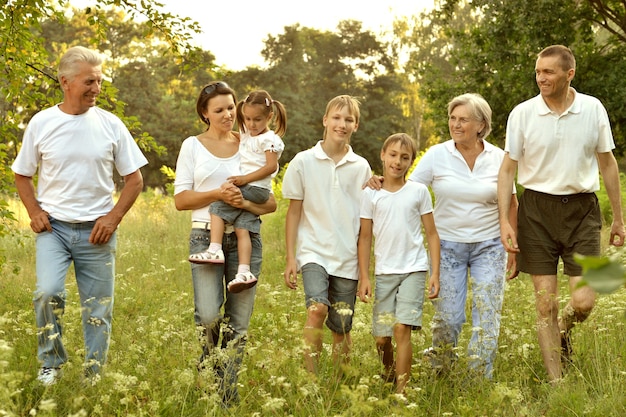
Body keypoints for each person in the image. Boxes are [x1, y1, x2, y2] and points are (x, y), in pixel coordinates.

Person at [11, 46, 148, 386]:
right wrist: (34, 211)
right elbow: (21, 173)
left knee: (98, 307)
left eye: (99, 81)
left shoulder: (110, 125)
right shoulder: (42, 122)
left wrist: (113, 218)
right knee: (47, 292)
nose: (96, 89)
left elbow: (135, 180)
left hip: (97, 232)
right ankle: (51, 363)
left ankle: (93, 374)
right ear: (65, 81)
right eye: (89, 81)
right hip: (53, 230)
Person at [366, 93, 518, 379]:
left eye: (463, 119)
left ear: (481, 124)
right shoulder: (437, 155)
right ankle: (442, 367)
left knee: (487, 314)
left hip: (490, 246)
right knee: (449, 317)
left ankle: (477, 378)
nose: (455, 124)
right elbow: (405, 187)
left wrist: (512, 246)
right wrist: (378, 180)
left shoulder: (499, 157)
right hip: (447, 246)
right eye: (452, 118)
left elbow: (511, 203)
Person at [498, 45, 625, 382]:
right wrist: (505, 222)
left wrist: (618, 218)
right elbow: (507, 170)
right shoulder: (522, 114)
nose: (541, 78)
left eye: (549, 72)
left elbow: (607, 163)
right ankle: (557, 382)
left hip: (583, 211)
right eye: (539, 72)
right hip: (536, 212)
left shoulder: (592, 108)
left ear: (569, 74)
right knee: (545, 304)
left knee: (584, 300)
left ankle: (563, 330)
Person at [174, 81, 276, 405]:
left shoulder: (251, 143)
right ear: (205, 113)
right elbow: (181, 199)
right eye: (219, 110)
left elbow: (270, 202)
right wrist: (218, 194)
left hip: (246, 239)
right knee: (207, 316)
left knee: (238, 324)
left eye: (231, 108)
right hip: (205, 235)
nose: (228, 115)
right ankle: (207, 375)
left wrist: (243, 203)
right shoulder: (192, 146)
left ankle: (226, 396)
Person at [283, 95, 372, 374]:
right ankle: (311, 377)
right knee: (317, 309)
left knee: (341, 325)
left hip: (347, 257)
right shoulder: (303, 161)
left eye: (348, 119)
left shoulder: (361, 167)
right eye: (336, 117)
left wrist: (365, 272)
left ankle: (338, 381)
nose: (341, 124)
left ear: (355, 125)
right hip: (313, 251)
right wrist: (290, 258)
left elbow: (366, 221)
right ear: (325, 120)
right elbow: (294, 212)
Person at [357, 133, 440, 394]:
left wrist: (434, 274)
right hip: (384, 272)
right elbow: (365, 237)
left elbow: (432, 234)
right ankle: (390, 373)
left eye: (405, 157)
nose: (397, 161)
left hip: (414, 269)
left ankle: (401, 393)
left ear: (412, 162)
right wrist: (364, 277)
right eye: (393, 155)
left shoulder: (418, 192)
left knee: (402, 328)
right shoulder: (371, 194)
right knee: (382, 339)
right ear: (383, 155)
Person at [188, 90, 286, 293]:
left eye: (257, 119)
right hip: (251, 188)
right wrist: (239, 108)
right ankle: (244, 271)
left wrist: (244, 180)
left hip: (256, 188)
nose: (251, 124)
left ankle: (214, 249)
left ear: (270, 117)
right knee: (243, 229)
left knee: (216, 207)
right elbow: (236, 116)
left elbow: (270, 167)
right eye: (248, 119)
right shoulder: (248, 134)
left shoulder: (270, 139)